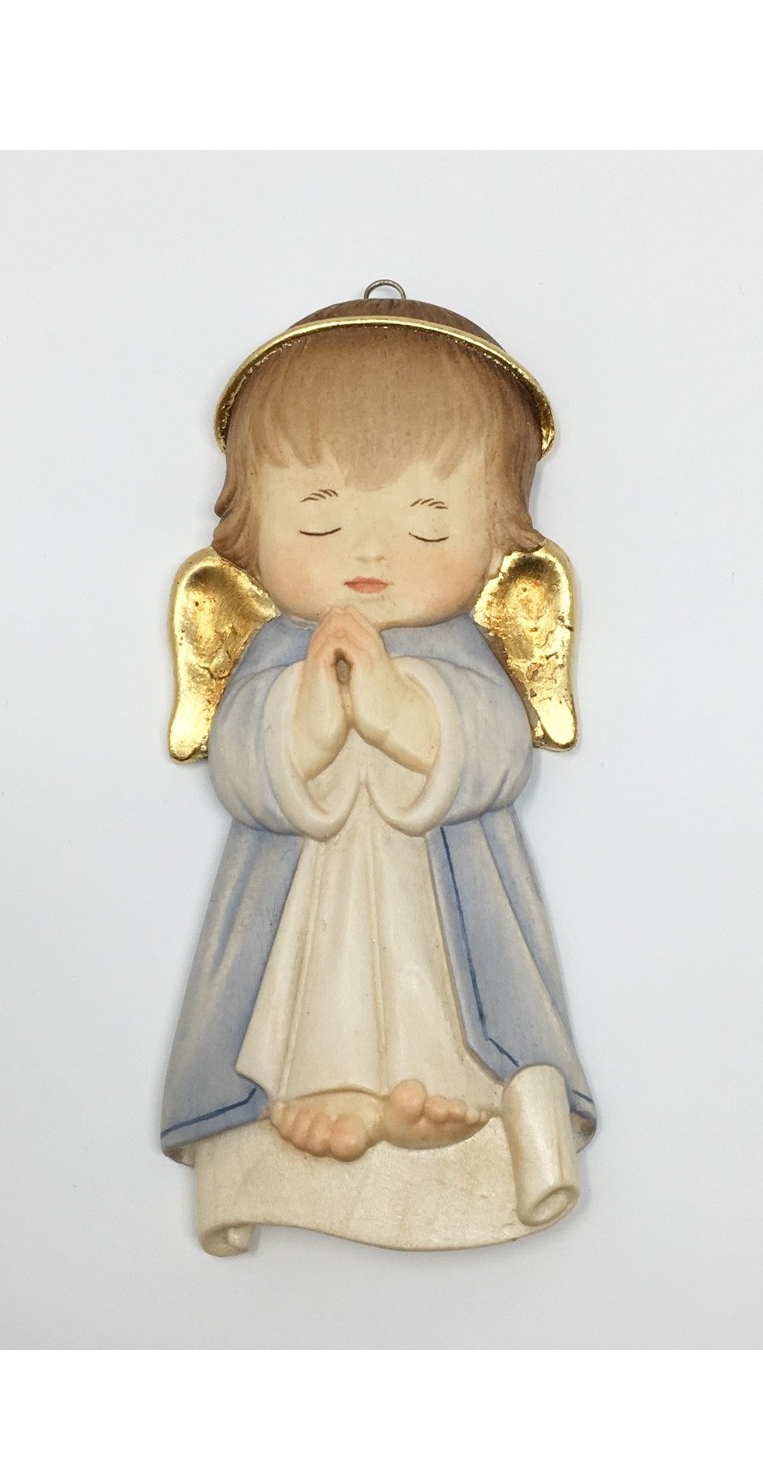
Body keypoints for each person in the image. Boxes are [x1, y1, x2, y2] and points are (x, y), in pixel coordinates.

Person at [160, 289, 597, 1253]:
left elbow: (499, 751)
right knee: (317, 974)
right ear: (250, 526)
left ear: (499, 533)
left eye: (428, 521)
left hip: (446, 887)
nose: (368, 550)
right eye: (319, 518)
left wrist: (406, 712)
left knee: (441, 981)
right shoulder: (276, 651)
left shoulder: (462, 651)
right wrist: (308, 720)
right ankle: (331, 1092)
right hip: (301, 888)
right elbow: (242, 768)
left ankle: (436, 1090)